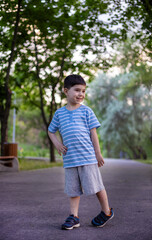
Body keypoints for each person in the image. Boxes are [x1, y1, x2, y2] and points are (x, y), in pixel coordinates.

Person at [48, 74, 114, 230]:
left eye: (83, 91)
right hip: (70, 159)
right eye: (77, 90)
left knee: (96, 186)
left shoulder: (87, 111)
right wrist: (57, 144)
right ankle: (74, 217)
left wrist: (98, 153)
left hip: (87, 157)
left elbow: (93, 134)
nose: (81, 94)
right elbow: (51, 131)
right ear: (66, 91)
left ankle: (106, 211)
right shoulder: (59, 114)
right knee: (73, 190)